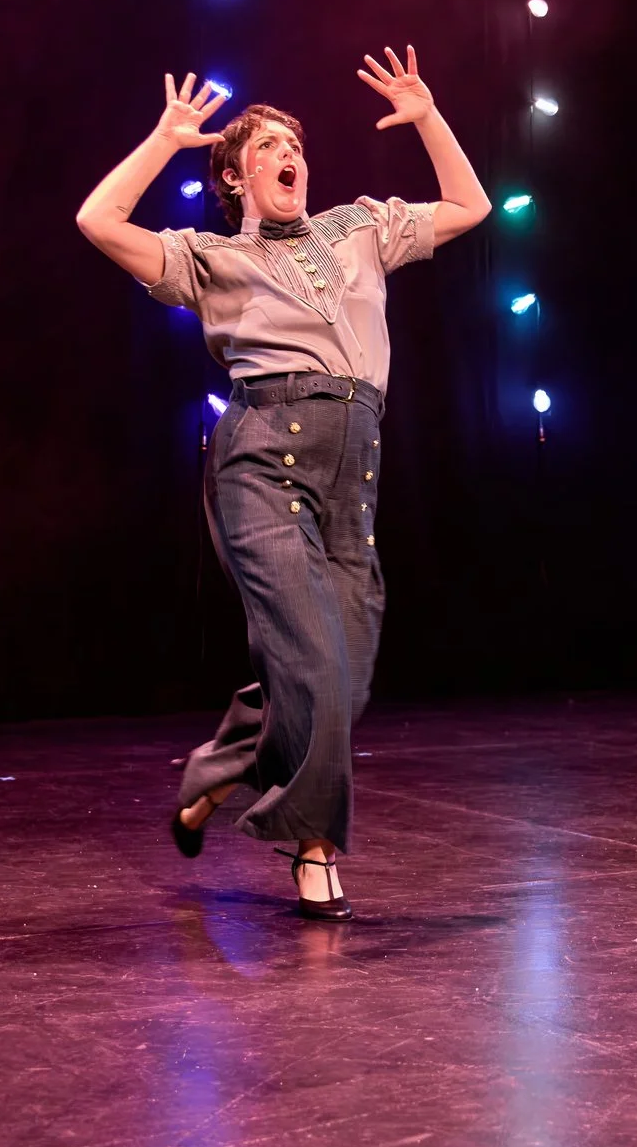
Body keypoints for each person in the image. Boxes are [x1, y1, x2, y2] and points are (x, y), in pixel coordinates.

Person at [74, 50, 489, 918]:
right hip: (263, 457)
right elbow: (98, 220)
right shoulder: (212, 257)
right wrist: (162, 142)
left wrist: (426, 115)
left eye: (291, 142)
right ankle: (315, 846)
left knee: (343, 673)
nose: (285, 152)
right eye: (264, 146)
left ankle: (219, 769)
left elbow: (470, 206)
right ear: (234, 175)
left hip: (356, 465)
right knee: (313, 659)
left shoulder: (358, 229)